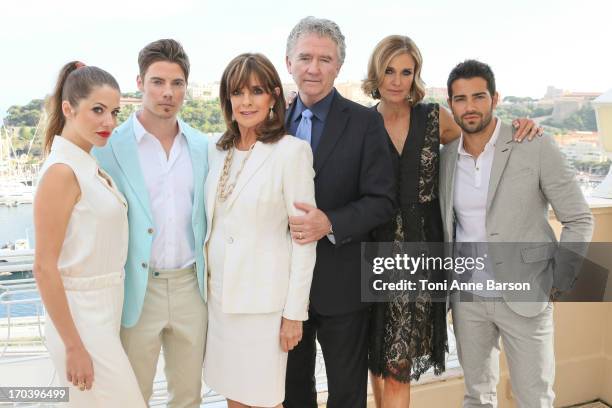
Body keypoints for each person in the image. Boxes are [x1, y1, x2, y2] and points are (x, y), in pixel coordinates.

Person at [363, 35, 543, 408]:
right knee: (377, 360)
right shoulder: (361, 122)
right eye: (389, 71)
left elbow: (482, 139)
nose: (397, 80)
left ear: (416, 76)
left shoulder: (434, 118)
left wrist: (521, 127)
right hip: (371, 250)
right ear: (376, 74)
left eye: (406, 72)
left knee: (397, 363)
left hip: (419, 254)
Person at [439, 59, 593, 407]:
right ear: (451, 105)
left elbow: (579, 217)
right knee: (477, 396)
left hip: (526, 294)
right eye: (460, 99)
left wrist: (560, 278)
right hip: (468, 300)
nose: (470, 107)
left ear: (495, 98)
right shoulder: (446, 158)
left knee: (534, 397)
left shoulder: (534, 145)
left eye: (478, 97)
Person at [283, 17, 396, 408]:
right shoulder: (270, 123)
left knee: (347, 395)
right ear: (289, 63)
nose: (314, 68)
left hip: (343, 286)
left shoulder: (366, 123)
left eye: (325, 59)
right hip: (284, 291)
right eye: (306, 57)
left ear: (338, 67)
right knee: (293, 392)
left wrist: (329, 222)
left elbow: (383, 201)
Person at [93, 39, 208, 408]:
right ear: (139, 82)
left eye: (177, 84)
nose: (168, 93)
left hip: (192, 287)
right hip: (138, 290)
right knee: (131, 395)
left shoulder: (203, 147)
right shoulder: (108, 147)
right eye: (158, 82)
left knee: (188, 396)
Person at [202, 53, 316, 408]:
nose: (246, 101)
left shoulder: (291, 152)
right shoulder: (216, 150)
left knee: (266, 400)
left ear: (273, 97)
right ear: (228, 99)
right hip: (221, 303)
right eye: (237, 92)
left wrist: (294, 313)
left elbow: (303, 240)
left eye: (256, 91)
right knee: (234, 398)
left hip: (264, 308)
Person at [33, 61, 146, 407]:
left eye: (113, 111)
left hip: (103, 314)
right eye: (97, 110)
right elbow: (44, 267)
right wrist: (73, 346)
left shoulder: (88, 165)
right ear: (68, 108)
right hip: (80, 321)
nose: (108, 122)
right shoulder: (63, 172)